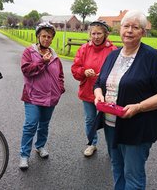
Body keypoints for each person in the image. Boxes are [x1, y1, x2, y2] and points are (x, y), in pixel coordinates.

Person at [93, 10, 157, 189]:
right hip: (111, 124)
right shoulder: (113, 55)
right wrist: (98, 94)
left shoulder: (151, 57)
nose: (129, 30)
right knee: (117, 167)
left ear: (143, 32)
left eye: (135, 27)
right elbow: (99, 81)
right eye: (126, 26)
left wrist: (139, 107)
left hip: (137, 126)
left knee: (133, 175)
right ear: (120, 29)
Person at [19, 22, 65, 170]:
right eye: (43, 36)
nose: (46, 39)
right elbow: (26, 70)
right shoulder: (29, 52)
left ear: (52, 39)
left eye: (49, 37)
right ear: (38, 36)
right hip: (33, 96)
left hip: (51, 97)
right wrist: (41, 61)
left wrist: (60, 88)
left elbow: (60, 74)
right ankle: (24, 155)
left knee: (44, 125)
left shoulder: (54, 55)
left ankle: (40, 146)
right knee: (31, 124)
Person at [71, 20, 117, 157]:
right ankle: (92, 144)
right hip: (88, 91)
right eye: (93, 33)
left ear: (106, 34)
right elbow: (75, 68)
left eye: (99, 33)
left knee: (110, 121)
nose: (96, 36)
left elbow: (119, 72)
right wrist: (84, 72)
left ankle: (112, 147)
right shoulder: (84, 49)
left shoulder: (113, 50)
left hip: (108, 93)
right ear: (89, 34)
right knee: (90, 120)